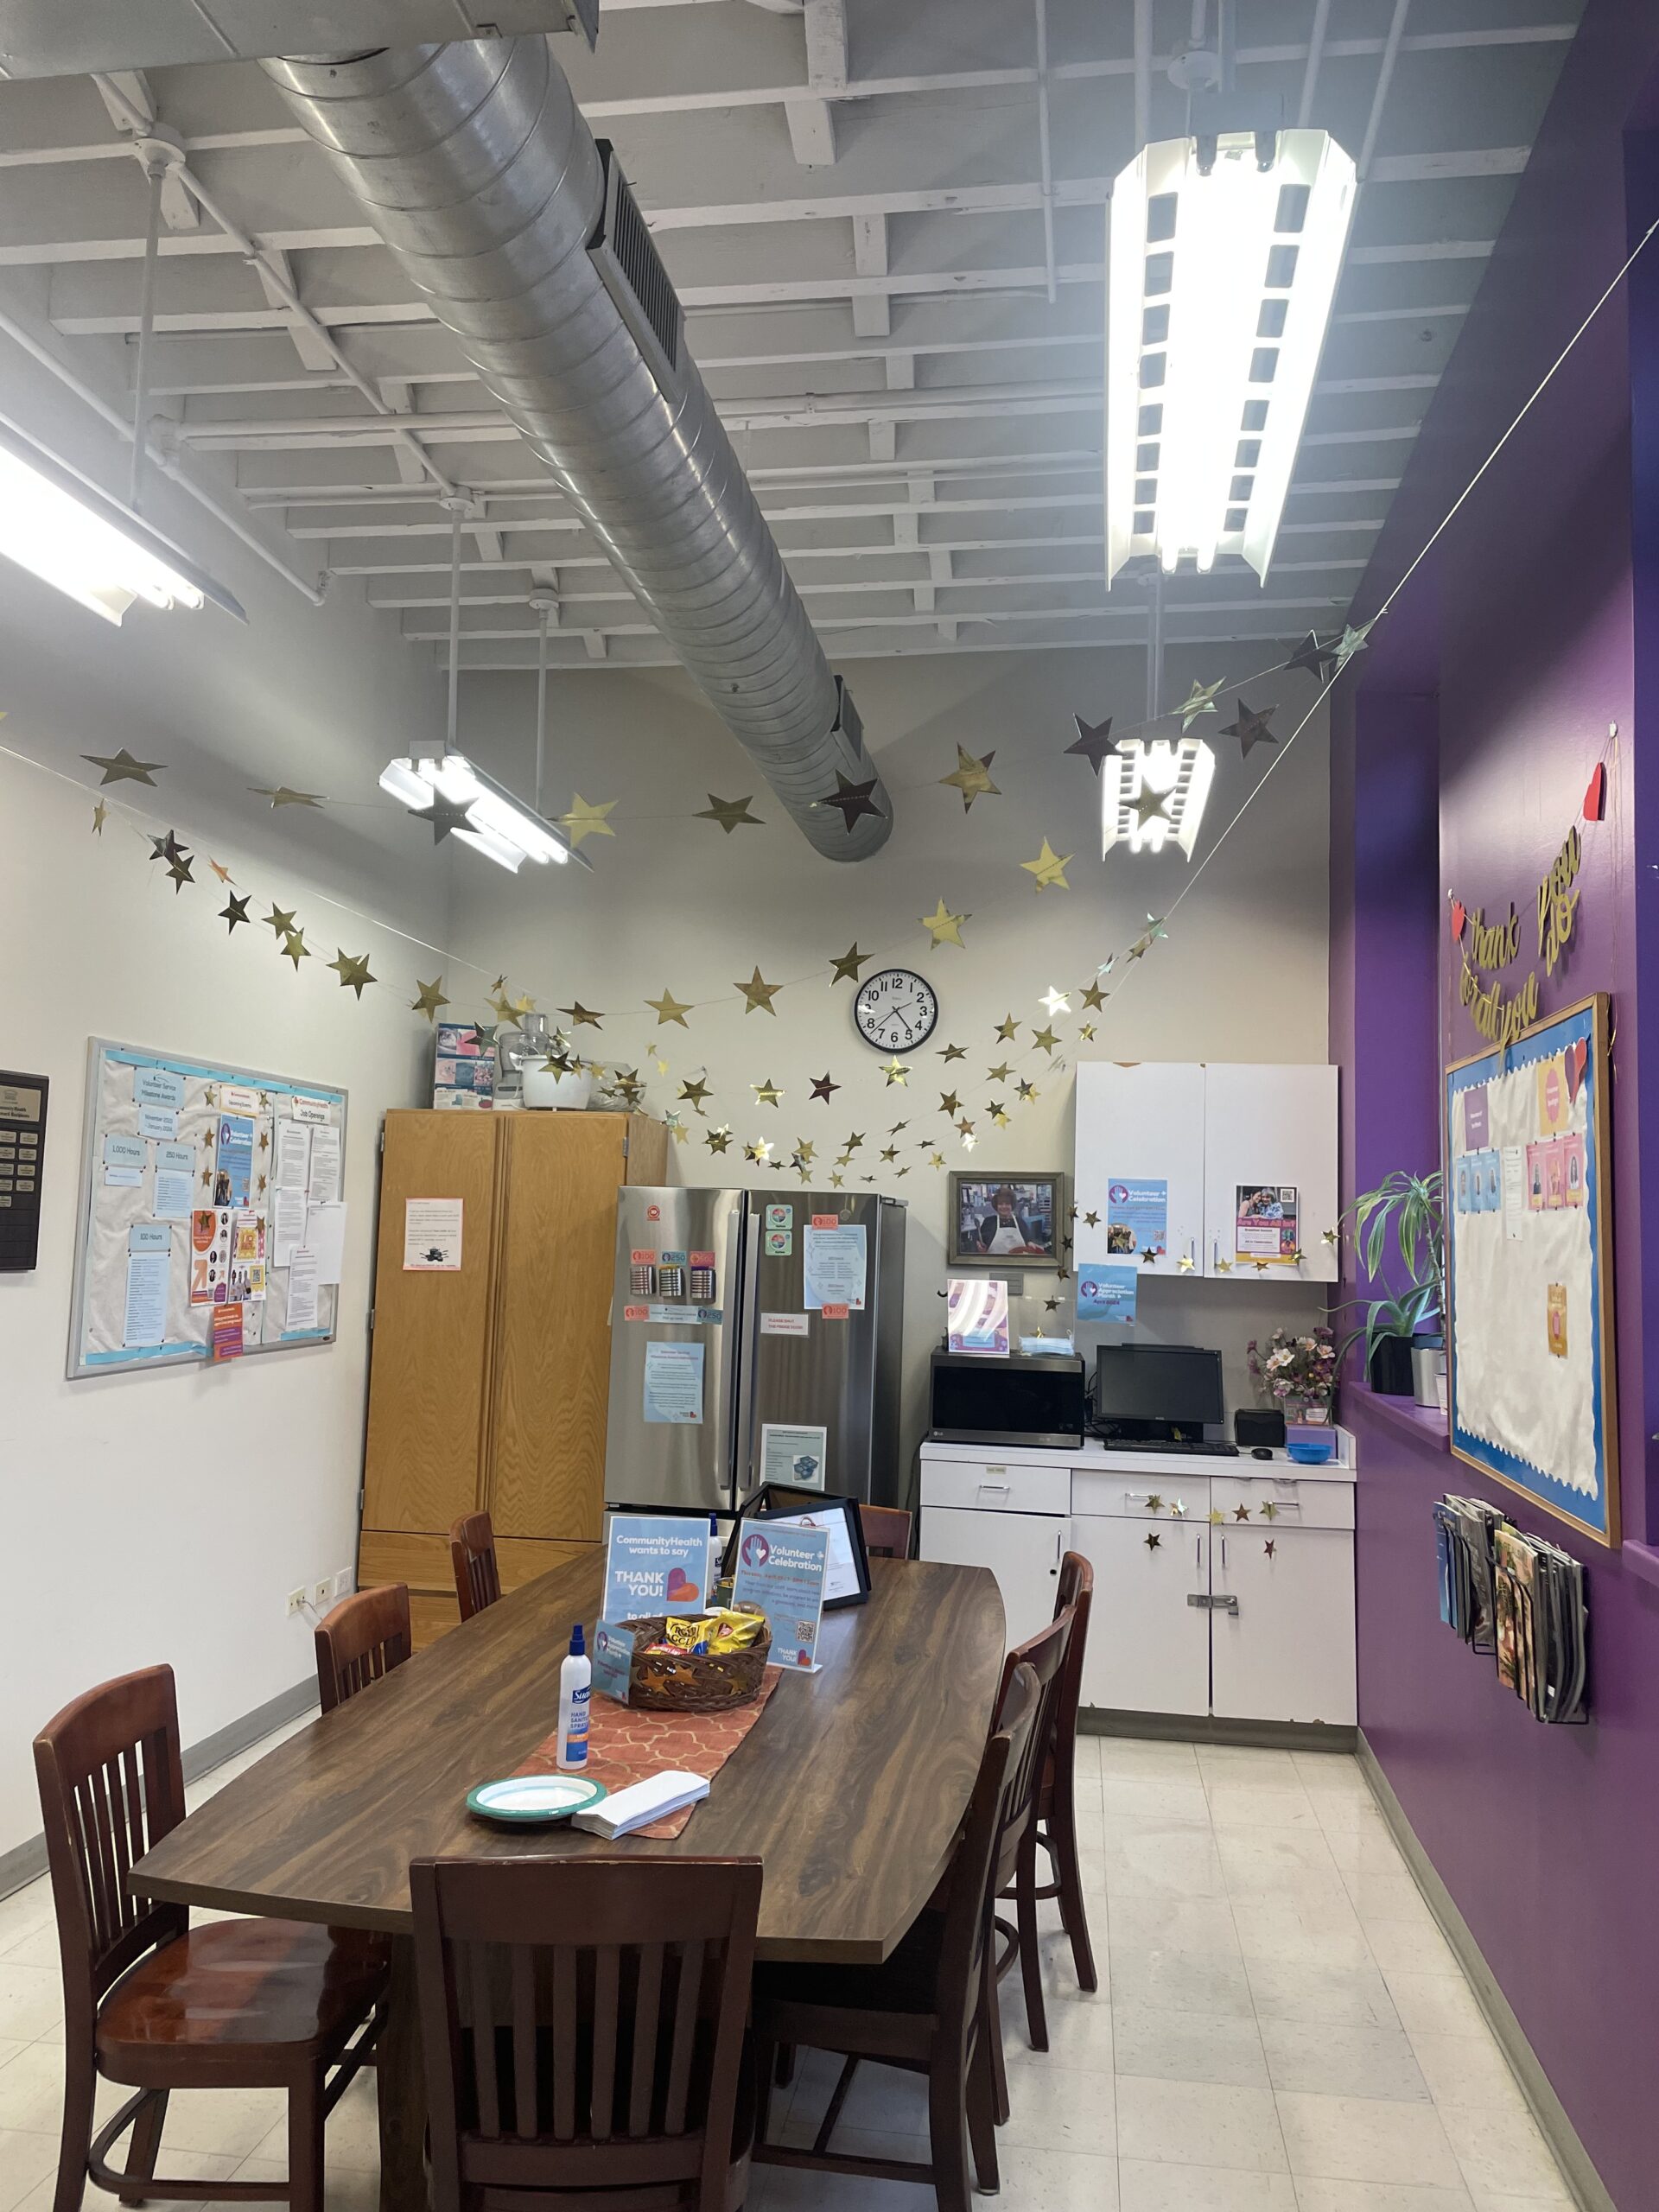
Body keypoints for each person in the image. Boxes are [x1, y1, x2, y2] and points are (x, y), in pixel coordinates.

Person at [976, 1185, 1044, 1255]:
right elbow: (981, 1243)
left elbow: (1028, 1240)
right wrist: (979, 1246)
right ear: (996, 1205)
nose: (1004, 1207)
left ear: (1012, 1205)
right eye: (1000, 1204)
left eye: (1007, 1204)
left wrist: (1031, 1244)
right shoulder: (989, 1222)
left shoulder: (1020, 1222)